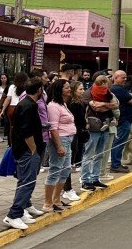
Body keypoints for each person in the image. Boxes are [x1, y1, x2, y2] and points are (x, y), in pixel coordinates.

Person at [4, 79, 46, 230]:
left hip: (23, 149)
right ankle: (13, 214)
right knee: (27, 182)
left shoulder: (26, 103)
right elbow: (26, 130)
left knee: (24, 181)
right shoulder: (29, 105)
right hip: (27, 150)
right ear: (39, 90)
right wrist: (34, 149)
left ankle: (22, 209)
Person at [80, 75, 118, 192]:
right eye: (104, 84)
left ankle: (95, 178)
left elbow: (116, 104)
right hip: (93, 127)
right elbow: (96, 107)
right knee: (89, 154)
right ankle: (85, 179)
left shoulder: (108, 93)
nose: (106, 87)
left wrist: (103, 105)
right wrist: (106, 105)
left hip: (105, 126)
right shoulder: (88, 93)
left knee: (100, 154)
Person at [43, 79, 76, 213]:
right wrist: (59, 146)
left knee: (66, 169)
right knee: (56, 169)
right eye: (67, 87)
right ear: (59, 90)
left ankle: (56, 199)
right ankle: (47, 202)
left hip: (68, 138)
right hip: (60, 140)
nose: (69, 89)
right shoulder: (53, 106)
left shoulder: (63, 104)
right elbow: (53, 128)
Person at [62, 80, 85, 204]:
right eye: (80, 89)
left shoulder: (75, 103)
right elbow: (78, 120)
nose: (82, 91)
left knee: (70, 162)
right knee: (68, 163)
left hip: (74, 134)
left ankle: (66, 187)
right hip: (71, 134)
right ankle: (67, 189)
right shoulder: (73, 104)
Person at [109, 70, 132, 173]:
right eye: (122, 77)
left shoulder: (120, 89)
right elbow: (131, 100)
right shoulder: (117, 89)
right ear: (115, 78)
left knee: (121, 142)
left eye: (125, 77)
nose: (125, 79)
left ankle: (117, 163)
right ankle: (115, 164)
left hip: (125, 119)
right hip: (123, 120)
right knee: (118, 142)